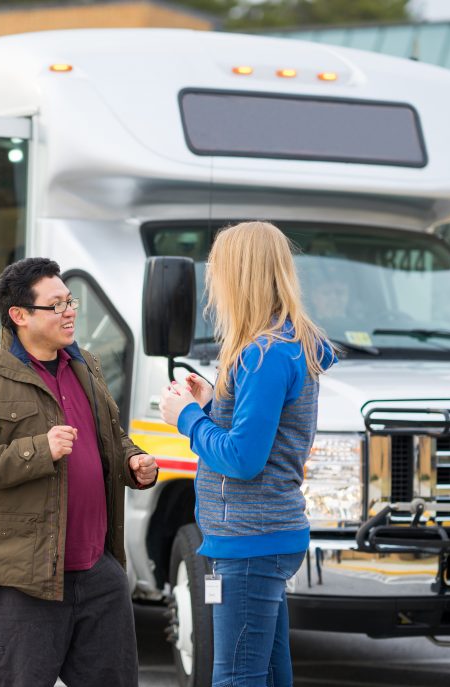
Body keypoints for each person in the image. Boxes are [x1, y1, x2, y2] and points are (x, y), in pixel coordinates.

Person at [0, 257, 158, 687]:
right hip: (24, 580)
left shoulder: (86, 367)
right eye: (56, 304)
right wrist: (40, 449)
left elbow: (108, 438)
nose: (70, 311)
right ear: (20, 316)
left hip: (98, 570)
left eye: (70, 301)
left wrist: (134, 463)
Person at [159, 221, 336, 687]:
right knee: (270, 676)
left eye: (217, 272)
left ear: (239, 276)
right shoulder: (282, 346)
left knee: (236, 677)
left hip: (251, 541)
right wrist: (211, 403)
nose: (212, 286)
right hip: (267, 536)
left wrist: (186, 418)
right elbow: (257, 436)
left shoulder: (263, 354)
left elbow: (243, 458)